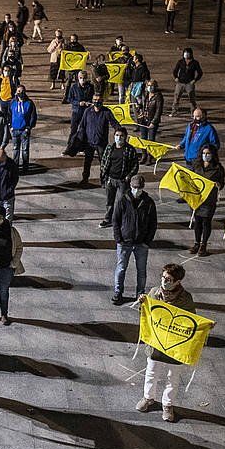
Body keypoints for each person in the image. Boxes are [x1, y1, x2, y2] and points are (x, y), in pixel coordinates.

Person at [111, 175, 157, 306]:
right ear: (131, 186)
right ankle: (118, 292)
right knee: (121, 268)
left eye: (139, 188)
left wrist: (147, 241)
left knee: (141, 270)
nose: (137, 190)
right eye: (135, 187)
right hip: (125, 241)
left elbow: (153, 223)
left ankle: (140, 294)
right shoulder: (122, 200)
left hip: (141, 243)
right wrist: (118, 239)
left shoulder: (149, 203)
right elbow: (115, 220)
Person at [99, 127, 140, 228]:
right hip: (110, 179)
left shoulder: (130, 150)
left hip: (122, 181)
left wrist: (128, 177)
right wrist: (105, 176)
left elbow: (135, 165)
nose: (119, 138)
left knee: (121, 201)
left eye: (121, 136)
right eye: (117, 135)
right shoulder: (109, 148)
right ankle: (108, 219)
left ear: (125, 137)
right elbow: (103, 162)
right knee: (109, 201)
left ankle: (120, 220)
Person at [189, 144, 225, 256]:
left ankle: (203, 245)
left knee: (206, 222)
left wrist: (218, 185)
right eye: (204, 153)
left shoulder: (218, 168)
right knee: (197, 221)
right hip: (197, 198)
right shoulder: (196, 165)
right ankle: (196, 243)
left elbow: (222, 183)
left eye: (208, 153)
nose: (206, 155)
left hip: (209, 200)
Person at [74, 93, 118, 185]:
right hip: (89, 143)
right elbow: (82, 125)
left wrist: (120, 131)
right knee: (87, 163)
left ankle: (103, 180)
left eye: (99, 100)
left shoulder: (106, 112)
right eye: (95, 100)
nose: (97, 102)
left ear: (102, 101)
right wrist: (80, 138)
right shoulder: (87, 111)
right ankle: (85, 179)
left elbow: (114, 123)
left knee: (103, 163)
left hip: (101, 143)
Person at [8, 86, 37, 173]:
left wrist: (29, 127)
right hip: (15, 130)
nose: (20, 93)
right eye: (19, 91)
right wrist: (10, 126)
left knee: (25, 150)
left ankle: (25, 168)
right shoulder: (12, 102)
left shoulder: (29, 103)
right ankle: (15, 167)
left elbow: (33, 116)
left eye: (22, 91)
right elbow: (9, 114)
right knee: (15, 149)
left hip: (24, 130)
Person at [171, 47, 203, 116]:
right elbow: (175, 71)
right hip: (180, 83)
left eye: (188, 53)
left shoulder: (195, 63)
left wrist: (195, 80)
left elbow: (200, 73)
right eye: (185, 53)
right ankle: (174, 111)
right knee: (176, 98)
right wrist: (176, 77)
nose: (186, 55)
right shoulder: (180, 62)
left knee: (192, 99)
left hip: (189, 83)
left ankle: (193, 113)